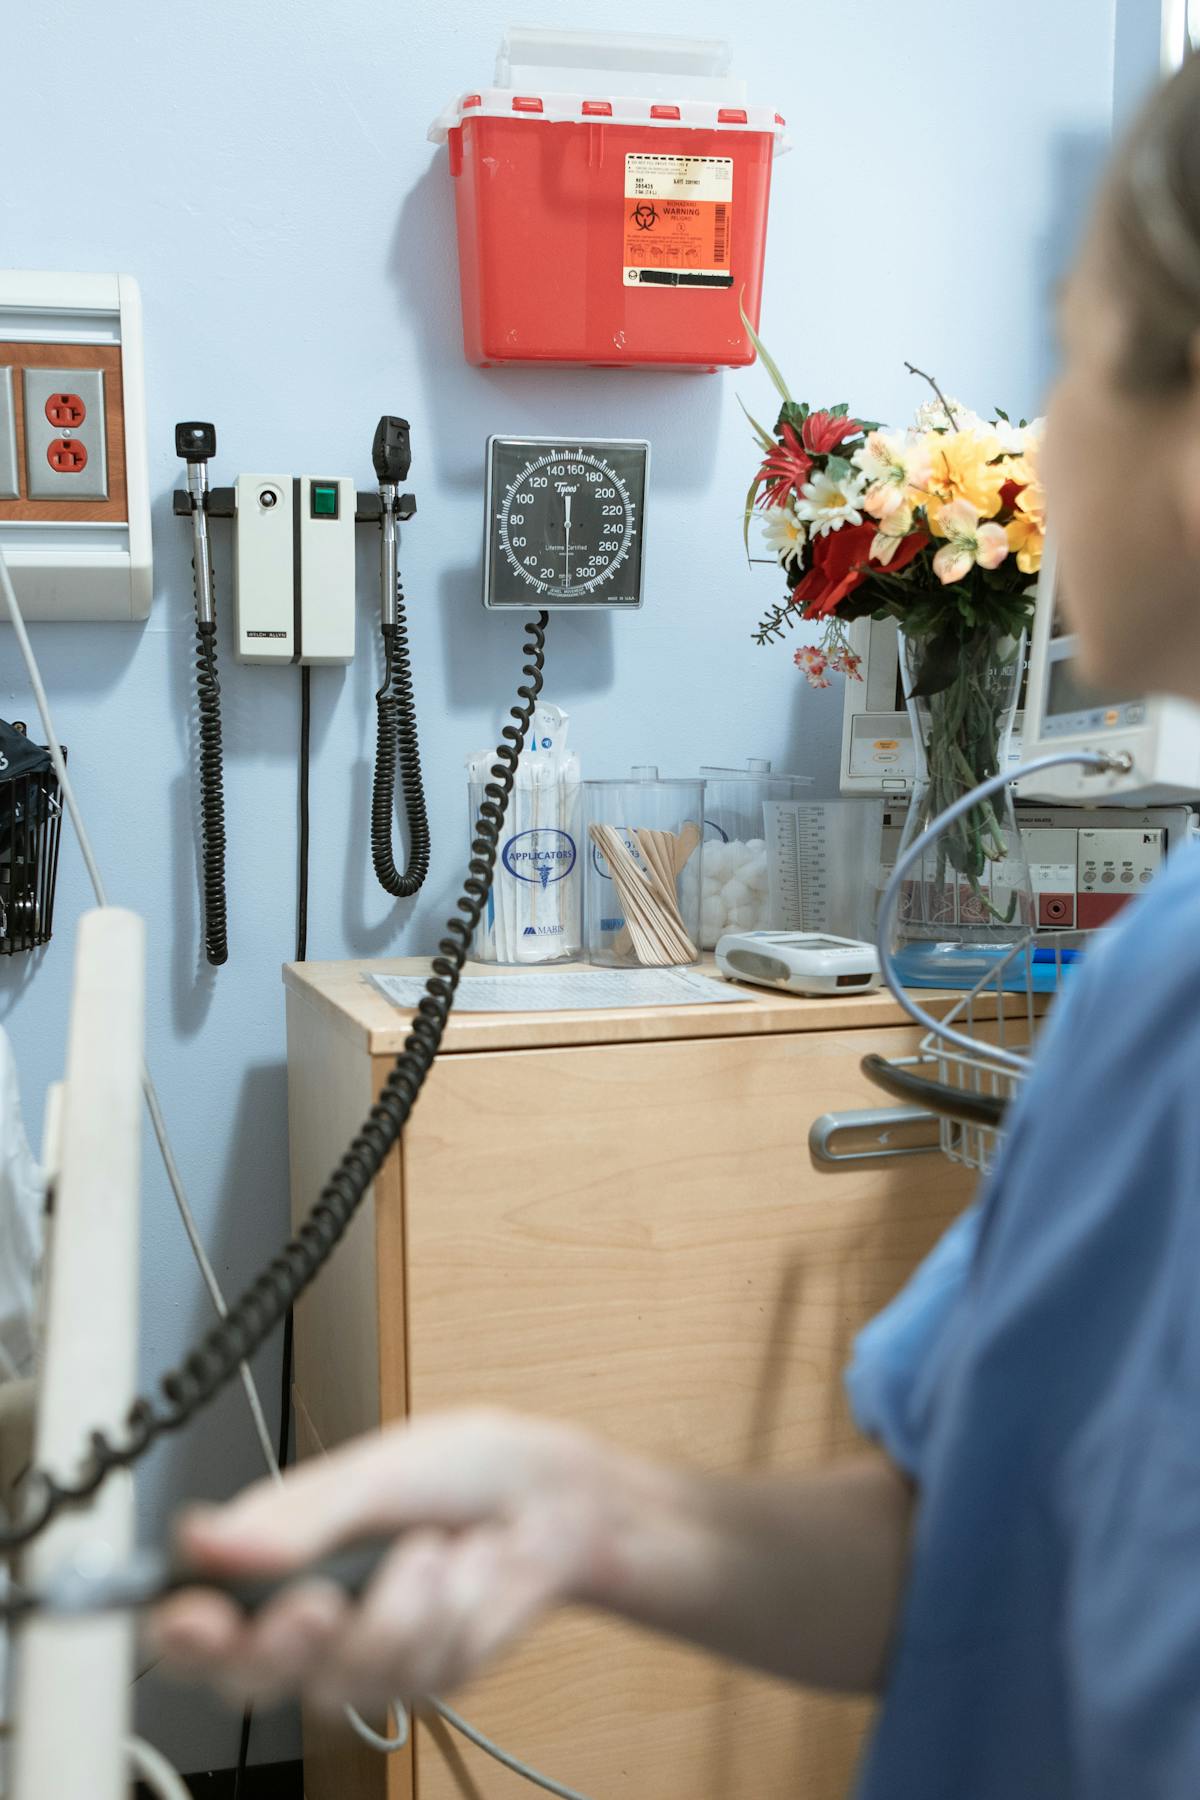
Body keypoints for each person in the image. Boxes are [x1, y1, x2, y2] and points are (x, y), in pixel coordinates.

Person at [151, 55, 1200, 1797]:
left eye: (1078, 346)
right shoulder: (1149, 987)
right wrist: (582, 1506)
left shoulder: (1164, 999)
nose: (1051, 422)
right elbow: (981, 1562)